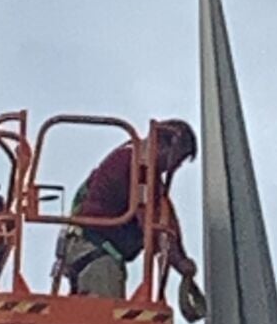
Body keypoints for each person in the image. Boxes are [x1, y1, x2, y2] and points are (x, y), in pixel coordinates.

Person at [59, 119, 201, 307]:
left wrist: (179, 258)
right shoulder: (138, 168)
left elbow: (164, 219)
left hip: (91, 250)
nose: (175, 167)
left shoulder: (135, 163)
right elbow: (153, 223)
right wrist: (180, 262)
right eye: (178, 160)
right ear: (167, 146)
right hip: (96, 253)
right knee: (105, 321)